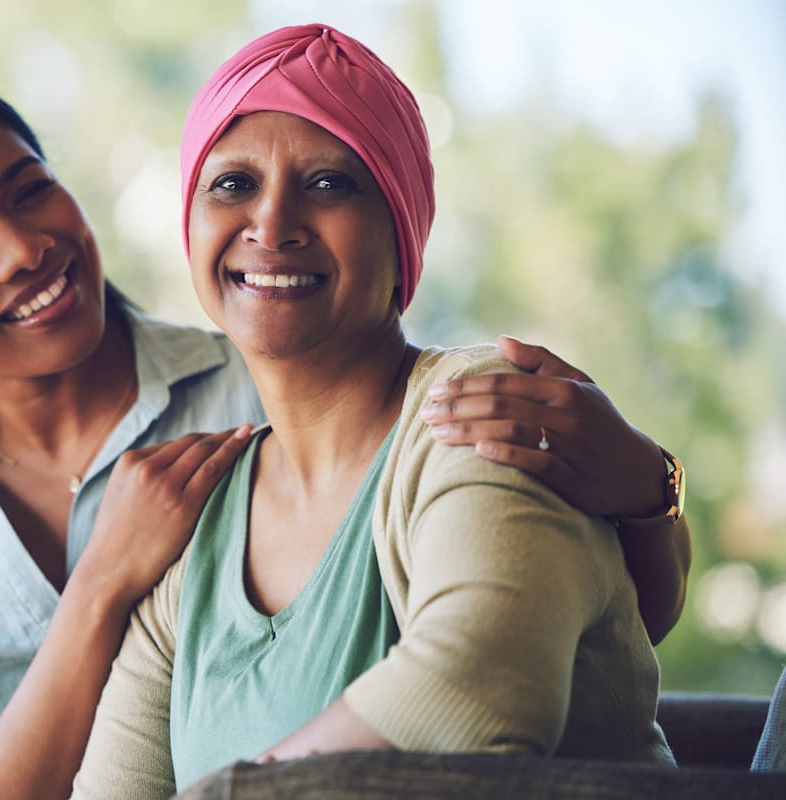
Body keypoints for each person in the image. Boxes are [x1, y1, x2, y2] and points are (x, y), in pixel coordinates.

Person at [0, 73, 689, 798]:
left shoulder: (285, 362)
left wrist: (655, 490)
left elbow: (573, 631)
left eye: (31, 190)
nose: (22, 248)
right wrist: (104, 580)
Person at [72, 24, 680, 798]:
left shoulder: (482, 415)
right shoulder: (196, 526)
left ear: (403, 236)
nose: (272, 223)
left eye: (330, 183)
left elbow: (472, 702)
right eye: (232, 184)